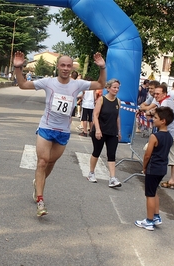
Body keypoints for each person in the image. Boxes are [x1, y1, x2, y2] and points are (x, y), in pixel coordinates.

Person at [13, 50, 106, 217]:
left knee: (50, 163)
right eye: (62, 65)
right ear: (57, 66)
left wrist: (102, 68)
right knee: (42, 161)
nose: (65, 68)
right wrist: (18, 68)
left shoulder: (77, 84)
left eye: (68, 66)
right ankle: (40, 200)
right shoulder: (48, 82)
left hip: (63, 131)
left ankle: (38, 182)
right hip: (46, 128)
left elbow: (100, 85)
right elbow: (22, 85)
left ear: (72, 68)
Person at [135, 106, 174, 231]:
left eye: (156, 118)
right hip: (162, 168)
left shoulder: (154, 137)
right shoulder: (169, 137)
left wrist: (144, 167)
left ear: (163, 121)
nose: (153, 120)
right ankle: (156, 216)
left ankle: (149, 221)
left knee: (149, 195)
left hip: (153, 167)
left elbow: (147, 155)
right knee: (154, 191)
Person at [87, 78, 122, 188]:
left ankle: (112, 178)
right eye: (114, 87)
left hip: (112, 132)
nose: (116, 89)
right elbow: (95, 115)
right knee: (96, 152)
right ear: (108, 88)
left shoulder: (118, 101)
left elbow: (117, 117)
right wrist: (97, 129)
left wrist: (119, 131)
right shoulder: (101, 99)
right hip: (100, 131)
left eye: (118, 88)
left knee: (111, 154)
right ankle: (91, 173)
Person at [149, 84, 174, 189]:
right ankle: (172, 180)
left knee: (152, 150)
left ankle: (151, 172)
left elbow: (159, 114)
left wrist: (149, 112)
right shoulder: (170, 100)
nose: (156, 96)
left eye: (158, 94)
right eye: (155, 94)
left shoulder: (166, 102)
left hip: (168, 134)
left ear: (164, 94)